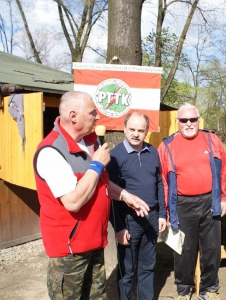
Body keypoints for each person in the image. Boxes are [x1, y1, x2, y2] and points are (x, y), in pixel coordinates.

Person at [33, 91, 149, 300]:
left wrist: (124, 196)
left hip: (94, 243)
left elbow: (100, 183)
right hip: (69, 252)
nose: (97, 117)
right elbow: (73, 201)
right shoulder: (51, 151)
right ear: (73, 116)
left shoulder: (90, 142)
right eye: (92, 112)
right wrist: (96, 164)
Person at [158, 103, 226, 300]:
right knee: (183, 249)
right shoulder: (167, 145)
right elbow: (162, 180)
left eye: (193, 119)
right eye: (184, 120)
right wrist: (165, 210)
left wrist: (223, 198)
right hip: (181, 203)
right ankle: (184, 289)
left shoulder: (212, 140)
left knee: (212, 248)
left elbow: (223, 171)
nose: (189, 123)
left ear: (199, 120)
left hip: (210, 202)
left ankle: (210, 288)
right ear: (177, 122)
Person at [107, 112, 167, 300]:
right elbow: (110, 195)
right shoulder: (114, 156)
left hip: (151, 217)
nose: (136, 134)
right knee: (126, 270)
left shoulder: (153, 151)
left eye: (141, 130)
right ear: (124, 128)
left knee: (147, 267)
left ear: (147, 131)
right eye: (132, 129)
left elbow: (159, 183)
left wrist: (162, 214)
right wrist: (119, 227)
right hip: (128, 219)